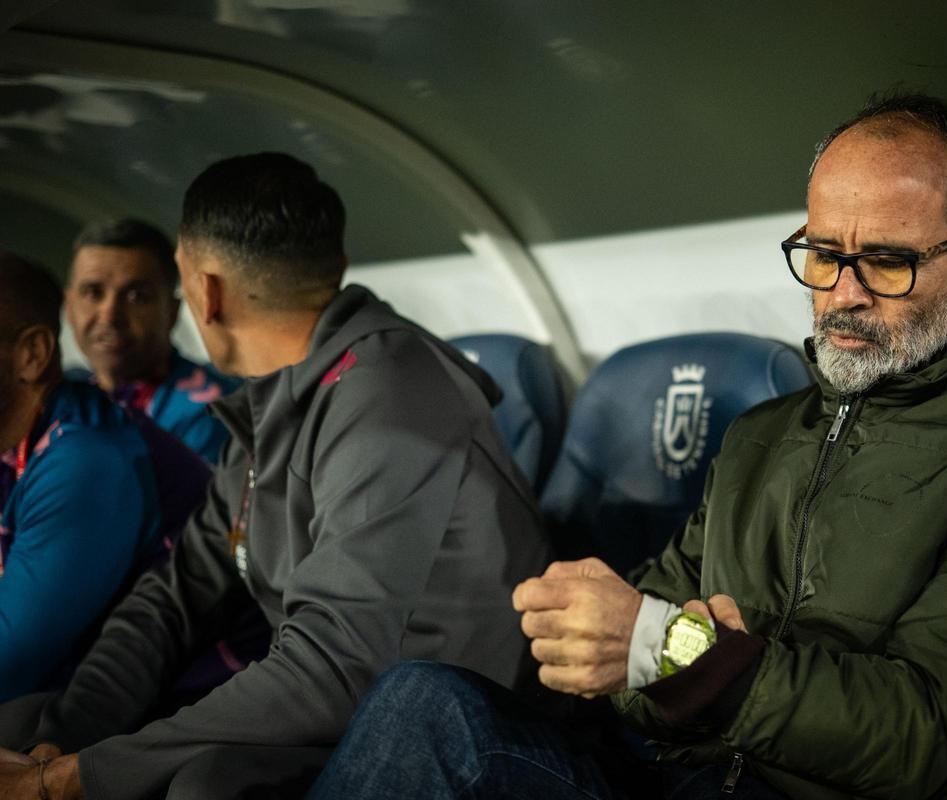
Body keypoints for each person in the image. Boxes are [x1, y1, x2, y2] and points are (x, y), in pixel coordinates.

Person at [307, 93, 947, 799]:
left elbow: (940, 737)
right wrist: (631, 645)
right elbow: (634, 658)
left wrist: (688, 655)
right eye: (822, 255)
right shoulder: (762, 438)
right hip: (679, 776)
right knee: (427, 702)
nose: (843, 295)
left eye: (886, 261)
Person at [0, 153, 551, 800]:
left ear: (205, 292)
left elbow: (333, 663)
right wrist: (62, 740)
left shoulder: (392, 401)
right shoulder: (278, 399)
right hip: (354, 713)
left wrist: (74, 779)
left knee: (208, 787)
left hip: (459, 734)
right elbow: (174, 597)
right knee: (22, 720)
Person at [0, 252, 210, 705]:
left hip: (160, 730)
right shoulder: (18, 435)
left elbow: (7, 668)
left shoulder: (85, 461)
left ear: (32, 355)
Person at [66, 218, 239, 464]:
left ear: (172, 310)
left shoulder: (210, 413)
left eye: (137, 296)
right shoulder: (60, 396)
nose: (110, 315)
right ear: (69, 306)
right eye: (93, 292)